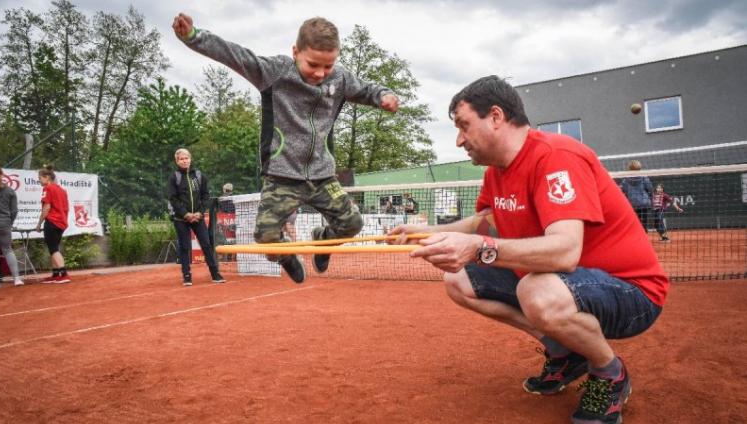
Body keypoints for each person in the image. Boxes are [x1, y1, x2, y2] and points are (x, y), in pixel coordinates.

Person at [392, 76, 669, 424]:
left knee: (535, 289)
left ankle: (609, 372)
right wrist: (426, 232)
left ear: (495, 116)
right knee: (458, 279)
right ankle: (564, 352)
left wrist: (479, 248)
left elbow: (564, 252)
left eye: (463, 126)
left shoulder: (557, 156)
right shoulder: (497, 172)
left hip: (632, 293)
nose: (459, 139)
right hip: (567, 284)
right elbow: (485, 223)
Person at [172, 14, 399, 284]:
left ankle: (322, 241)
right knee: (266, 236)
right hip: (281, 178)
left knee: (352, 224)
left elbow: (368, 89)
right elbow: (236, 56)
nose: (320, 73)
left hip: (322, 176)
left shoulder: (340, 79)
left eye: (328, 65)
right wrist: (193, 36)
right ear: (295, 52)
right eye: (313, 64)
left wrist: (385, 95)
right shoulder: (276, 72)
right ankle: (287, 256)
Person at [168, 148, 226, 286]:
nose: (184, 161)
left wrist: (200, 213)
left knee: (206, 244)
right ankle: (187, 276)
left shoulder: (199, 175)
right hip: (181, 219)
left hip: (198, 218)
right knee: (184, 247)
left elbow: (206, 196)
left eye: (186, 158)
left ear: (190, 159)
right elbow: (173, 198)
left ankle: (215, 274)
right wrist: (186, 214)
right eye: (181, 159)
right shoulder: (174, 177)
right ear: (177, 161)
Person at [35, 165, 70, 284]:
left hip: (52, 222)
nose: (39, 180)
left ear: (47, 177)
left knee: (54, 249)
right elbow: (66, 208)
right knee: (54, 248)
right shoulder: (62, 190)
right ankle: (56, 274)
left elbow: (46, 207)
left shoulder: (48, 189)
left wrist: (39, 223)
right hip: (61, 223)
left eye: (40, 178)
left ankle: (63, 274)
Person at [0, 164, 24, 288]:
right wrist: (9, 222)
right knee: (8, 250)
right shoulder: (10, 191)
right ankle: (17, 279)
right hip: (4, 223)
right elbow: (14, 211)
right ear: (2, 174)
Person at [620, 160, 653, 231]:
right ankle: (644, 237)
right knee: (644, 222)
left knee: (635, 223)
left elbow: (623, 191)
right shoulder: (644, 177)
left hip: (633, 204)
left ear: (629, 168)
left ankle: (637, 237)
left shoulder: (625, 179)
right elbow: (650, 189)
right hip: (644, 204)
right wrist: (650, 198)